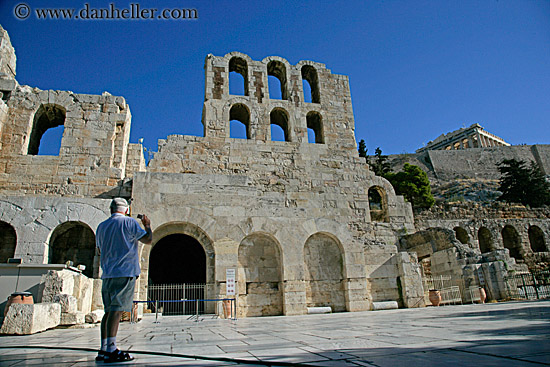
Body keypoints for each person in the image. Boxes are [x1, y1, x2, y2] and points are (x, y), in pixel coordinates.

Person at [95, 198, 152, 363]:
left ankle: (104, 348)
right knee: (117, 311)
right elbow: (148, 239)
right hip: (124, 271)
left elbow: (99, 249)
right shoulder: (129, 223)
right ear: (127, 210)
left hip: (107, 273)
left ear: (110, 209)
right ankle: (112, 349)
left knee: (108, 311)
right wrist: (147, 225)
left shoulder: (101, 226)